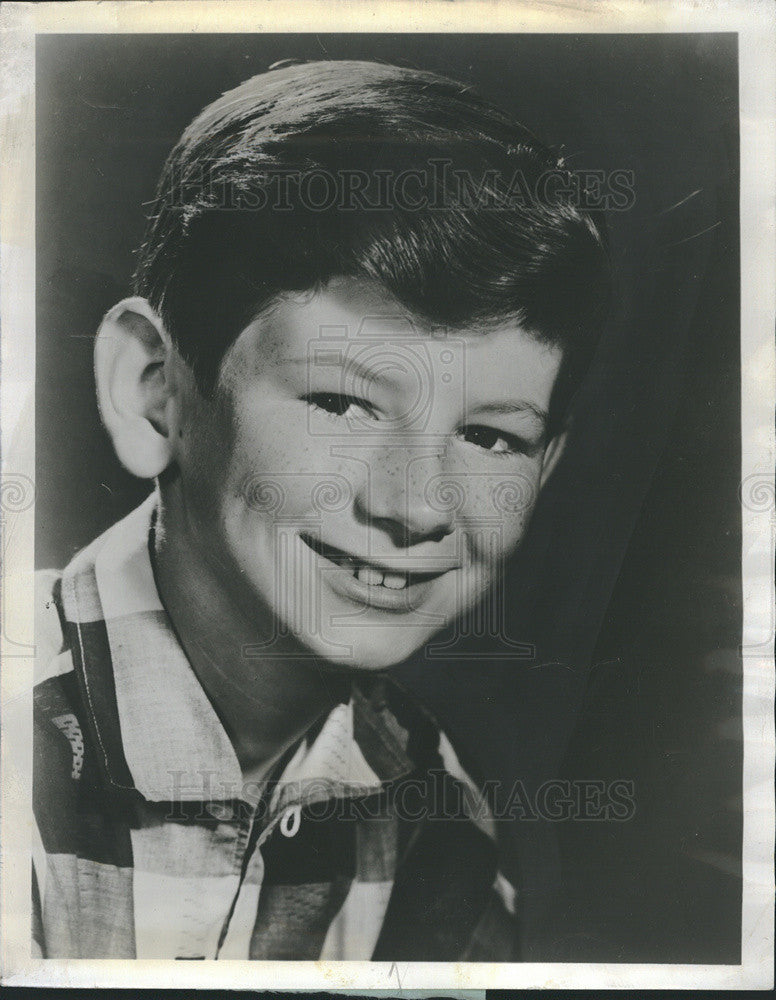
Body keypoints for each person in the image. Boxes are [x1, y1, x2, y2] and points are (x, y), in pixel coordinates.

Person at [32, 59, 611, 960]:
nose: (414, 504)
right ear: (156, 393)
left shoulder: (441, 825)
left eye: (492, 438)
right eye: (342, 406)